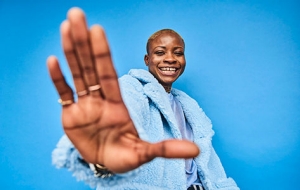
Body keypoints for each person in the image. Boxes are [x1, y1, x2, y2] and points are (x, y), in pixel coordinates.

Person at [48, 7, 239, 190]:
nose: (171, 59)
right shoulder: (132, 88)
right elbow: (126, 115)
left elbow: (208, 166)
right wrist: (106, 152)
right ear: (147, 60)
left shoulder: (188, 106)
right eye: (160, 52)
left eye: (178, 53)